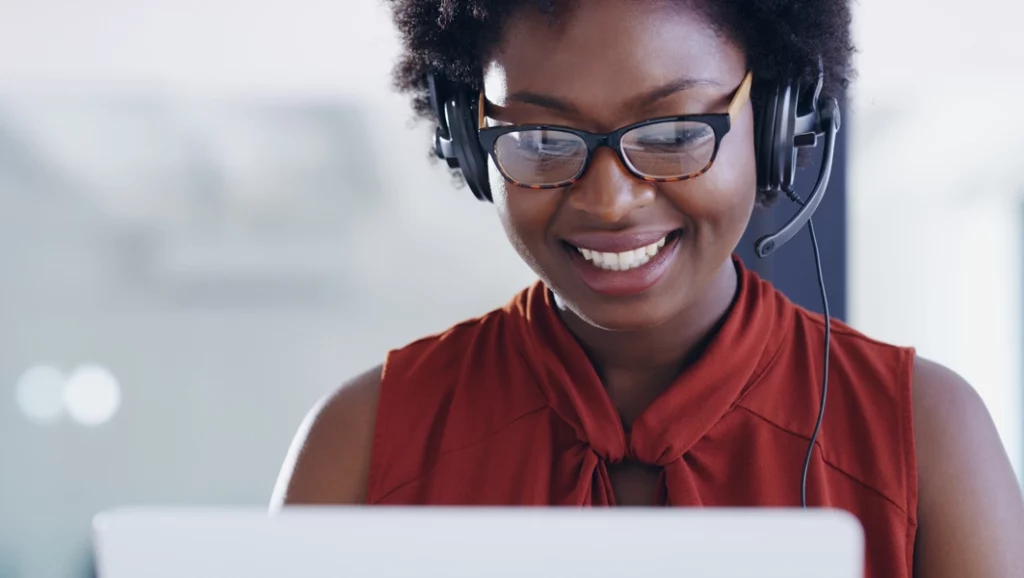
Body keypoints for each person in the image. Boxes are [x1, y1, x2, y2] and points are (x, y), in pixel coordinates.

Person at [271, 0, 1024, 576]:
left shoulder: (926, 434)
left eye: (671, 135)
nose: (609, 201)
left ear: (775, 122)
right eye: (540, 140)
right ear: (469, 144)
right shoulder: (363, 439)